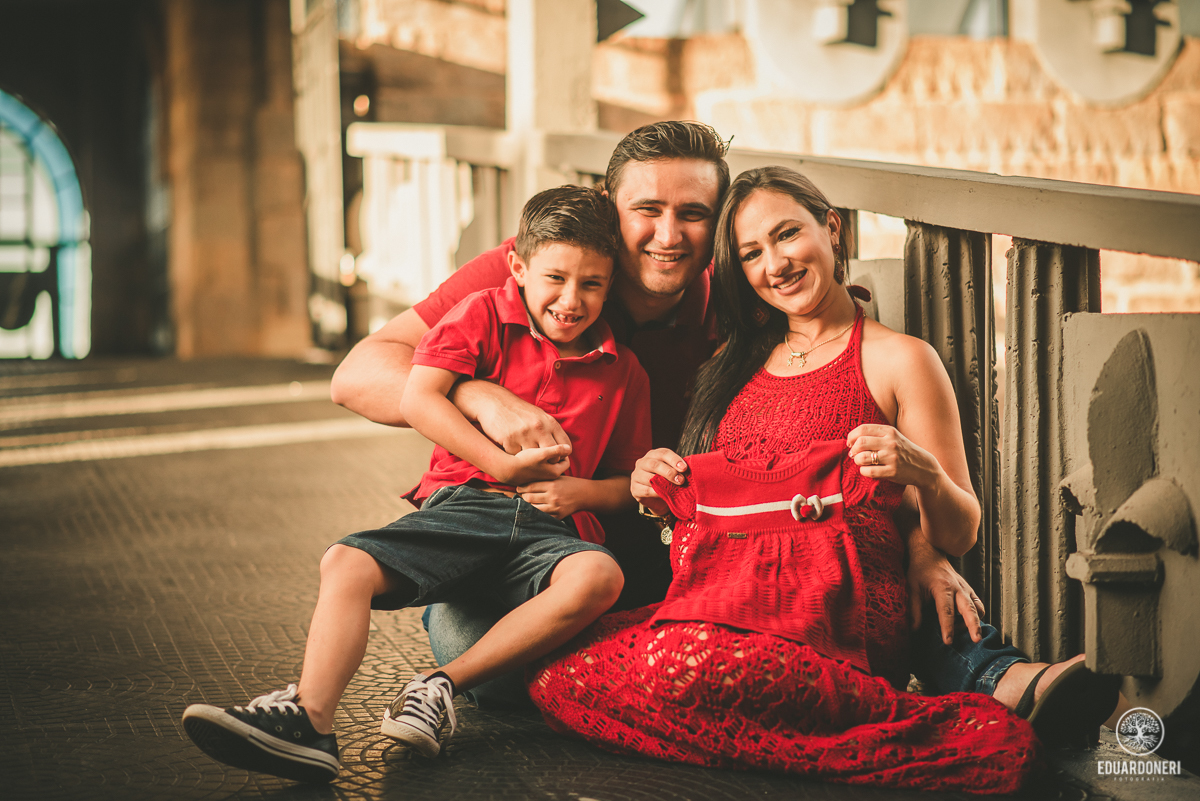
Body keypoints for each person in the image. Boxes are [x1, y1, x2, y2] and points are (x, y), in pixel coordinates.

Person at [331, 120, 1113, 730]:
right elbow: (358, 373)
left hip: (660, 541)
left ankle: (986, 677)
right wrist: (480, 397)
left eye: (695, 214)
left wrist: (919, 542)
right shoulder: (542, 269)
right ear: (608, 208)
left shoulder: (734, 310)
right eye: (647, 209)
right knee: (490, 666)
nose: (669, 234)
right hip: (515, 531)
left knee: (803, 607)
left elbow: (822, 422)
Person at [526, 166, 1055, 792]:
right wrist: (652, 485)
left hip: (842, 612)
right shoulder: (730, 366)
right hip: (729, 602)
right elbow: (710, 509)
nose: (774, 264)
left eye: (786, 236)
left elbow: (961, 531)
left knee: (688, 673)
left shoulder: (899, 358)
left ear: (831, 228)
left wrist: (926, 477)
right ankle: (821, 734)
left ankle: (908, 722)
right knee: (556, 675)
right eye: (751, 253)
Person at [181, 185, 651, 783]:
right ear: (519, 266)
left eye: (593, 284)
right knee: (345, 562)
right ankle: (310, 718)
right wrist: (500, 465)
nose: (571, 299)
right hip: (464, 507)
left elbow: (626, 481)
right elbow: (419, 397)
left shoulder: (623, 368)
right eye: (556, 278)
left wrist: (583, 495)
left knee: (599, 573)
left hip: (549, 529)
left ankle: (435, 689)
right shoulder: (481, 312)